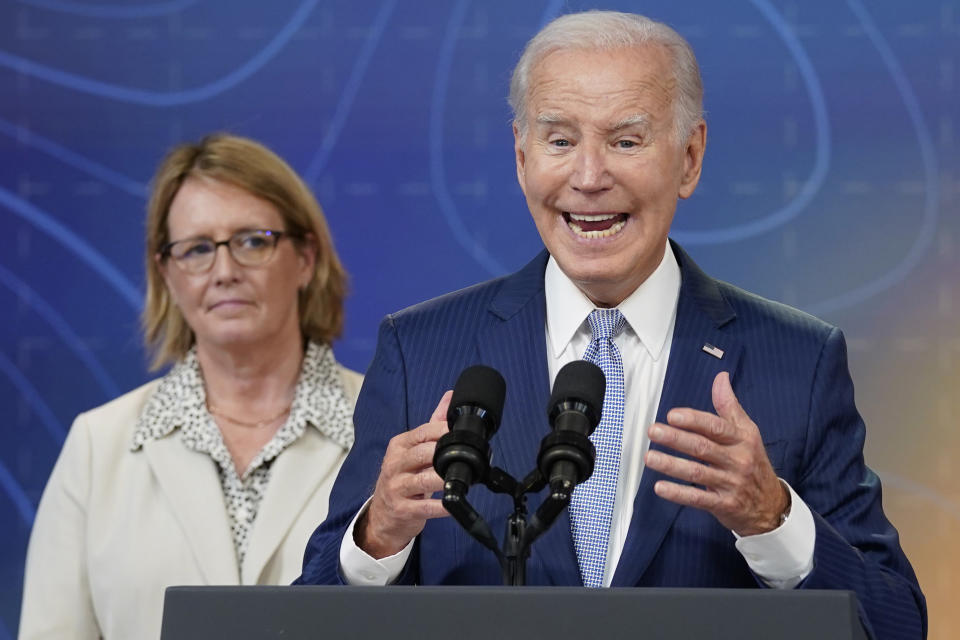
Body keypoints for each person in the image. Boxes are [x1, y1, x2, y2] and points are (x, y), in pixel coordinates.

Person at [296, 10, 925, 640]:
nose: (589, 177)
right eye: (560, 141)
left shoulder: (799, 361)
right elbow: (304, 621)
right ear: (522, 158)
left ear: (690, 158)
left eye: (626, 141)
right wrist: (377, 536)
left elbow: (896, 623)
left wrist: (775, 519)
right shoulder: (420, 352)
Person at [20, 133, 361, 640]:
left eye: (252, 241)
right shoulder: (98, 446)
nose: (224, 271)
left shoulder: (385, 423)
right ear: (168, 275)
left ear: (305, 258)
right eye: (197, 249)